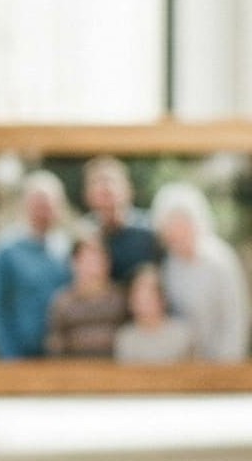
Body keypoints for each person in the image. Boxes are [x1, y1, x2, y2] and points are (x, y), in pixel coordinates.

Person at [152, 181, 251, 363]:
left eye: (181, 225)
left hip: (224, 358)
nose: (176, 233)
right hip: (187, 362)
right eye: (170, 227)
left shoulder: (221, 259)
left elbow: (235, 317)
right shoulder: (170, 265)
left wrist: (226, 362)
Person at [0, 169, 72, 359]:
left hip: (60, 356)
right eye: (38, 205)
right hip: (20, 355)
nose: (44, 211)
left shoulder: (65, 247)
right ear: (24, 205)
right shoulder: (4, 250)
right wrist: (9, 358)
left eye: (49, 205)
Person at [79, 154, 161, 285]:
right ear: (88, 196)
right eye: (99, 187)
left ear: (128, 190)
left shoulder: (150, 231)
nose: (106, 190)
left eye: (111, 183)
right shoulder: (84, 235)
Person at [45, 235, 127, 358]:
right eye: (87, 261)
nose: (93, 268)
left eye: (98, 261)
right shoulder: (62, 301)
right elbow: (54, 343)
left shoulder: (120, 298)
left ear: (107, 264)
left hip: (115, 370)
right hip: (74, 371)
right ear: (75, 264)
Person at [113, 263, 197, 365]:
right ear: (131, 302)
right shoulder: (126, 338)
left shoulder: (182, 334)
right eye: (139, 297)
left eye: (150, 296)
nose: (144, 303)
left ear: (163, 300)